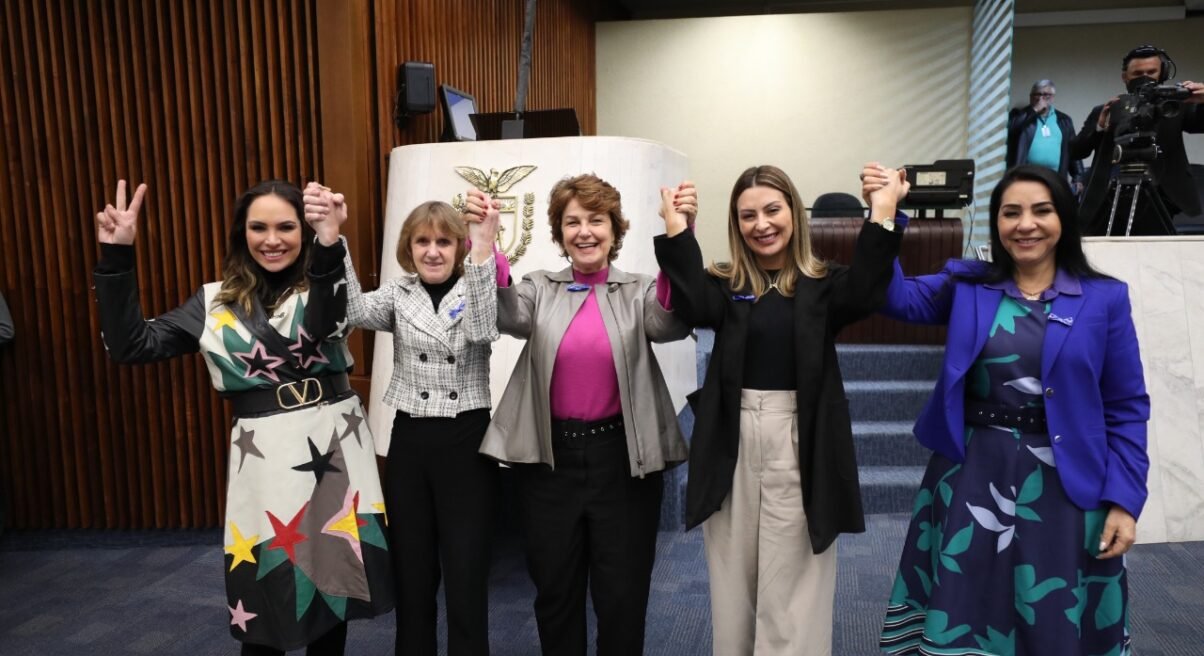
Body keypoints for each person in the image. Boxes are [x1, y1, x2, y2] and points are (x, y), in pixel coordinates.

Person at [92, 179, 393, 655]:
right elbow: (131, 346)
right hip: (264, 460)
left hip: (332, 446)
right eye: (258, 227)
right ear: (242, 234)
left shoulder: (326, 285)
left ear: (305, 231)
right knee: (266, 591)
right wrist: (117, 258)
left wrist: (331, 241)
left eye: (286, 227)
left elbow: (331, 323)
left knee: (334, 590)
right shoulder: (212, 303)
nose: (271, 239)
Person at [863, 164, 1150, 655]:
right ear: (996, 223)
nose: (1026, 224)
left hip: (1068, 485)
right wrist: (885, 212)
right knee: (971, 607)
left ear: (1064, 218)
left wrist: (1125, 499)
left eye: (1042, 210)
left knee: (1054, 610)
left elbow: (1125, 406)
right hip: (973, 476)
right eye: (1010, 212)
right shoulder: (968, 286)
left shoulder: (1105, 298)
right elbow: (888, 295)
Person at [653, 164, 908, 655]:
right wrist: (679, 229)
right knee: (733, 575)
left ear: (794, 211)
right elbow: (692, 306)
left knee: (795, 578)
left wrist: (882, 212)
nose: (762, 224)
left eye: (773, 210)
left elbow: (869, 289)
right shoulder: (726, 285)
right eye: (748, 215)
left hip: (801, 436)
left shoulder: (824, 283)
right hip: (733, 437)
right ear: (735, 224)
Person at [477, 174, 691, 656]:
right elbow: (510, 316)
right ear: (559, 233)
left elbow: (668, 324)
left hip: (622, 462)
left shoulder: (637, 290)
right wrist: (488, 245)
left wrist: (680, 238)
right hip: (550, 462)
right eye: (572, 222)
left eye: (596, 220)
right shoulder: (539, 288)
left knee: (622, 597)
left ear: (614, 230)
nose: (585, 231)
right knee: (556, 593)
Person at [302, 184, 502, 656]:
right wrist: (333, 239)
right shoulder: (399, 293)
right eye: (422, 242)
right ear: (408, 249)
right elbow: (350, 312)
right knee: (412, 571)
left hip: (467, 438)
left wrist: (483, 248)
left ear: (458, 245)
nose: (432, 252)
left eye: (444, 242)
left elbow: (481, 329)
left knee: (466, 571)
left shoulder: (478, 280)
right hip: (410, 440)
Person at [1070, 44, 1204, 235]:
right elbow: (1075, 151)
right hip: (1108, 194)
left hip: (1162, 194)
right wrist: (1099, 127)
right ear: (1125, 77)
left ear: (1163, 73)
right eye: (1137, 73)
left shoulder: (1175, 107)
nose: (1145, 77)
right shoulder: (1107, 109)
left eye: (1151, 71)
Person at [1006, 79, 1085, 194]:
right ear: (1030, 97)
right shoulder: (1019, 116)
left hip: (1055, 180)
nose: (1040, 98)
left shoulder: (1064, 120)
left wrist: (1078, 177)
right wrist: (1034, 110)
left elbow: (1073, 150)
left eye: (1045, 95)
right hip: (1026, 179)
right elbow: (1011, 129)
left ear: (1052, 97)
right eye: (1037, 94)